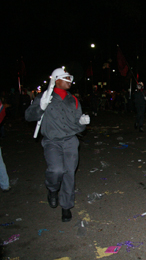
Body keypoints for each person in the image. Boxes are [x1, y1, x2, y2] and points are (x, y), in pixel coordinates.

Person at [25, 68, 90, 222]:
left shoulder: (73, 100)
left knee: (69, 174)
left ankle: (66, 207)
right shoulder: (44, 97)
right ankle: (52, 190)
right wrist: (41, 106)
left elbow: (77, 125)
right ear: (57, 80)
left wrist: (82, 124)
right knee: (56, 170)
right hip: (52, 141)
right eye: (66, 78)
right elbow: (28, 116)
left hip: (70, 141)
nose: (69, 80)